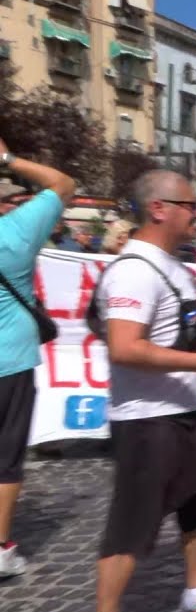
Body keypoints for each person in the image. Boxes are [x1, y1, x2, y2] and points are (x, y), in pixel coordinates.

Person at [82, 169, 196, 612]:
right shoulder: (132, 271)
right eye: (190, 205)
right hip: (148, 421)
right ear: (159, 209)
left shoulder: (176, 267)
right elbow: (126, 348)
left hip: (189, 414)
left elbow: (192, 337)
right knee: (132, 528)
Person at [0, 138, 76, 577]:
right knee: (6, 455)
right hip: (10, 359)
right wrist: (8, 159)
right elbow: (63, 183)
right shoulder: (14, 232)